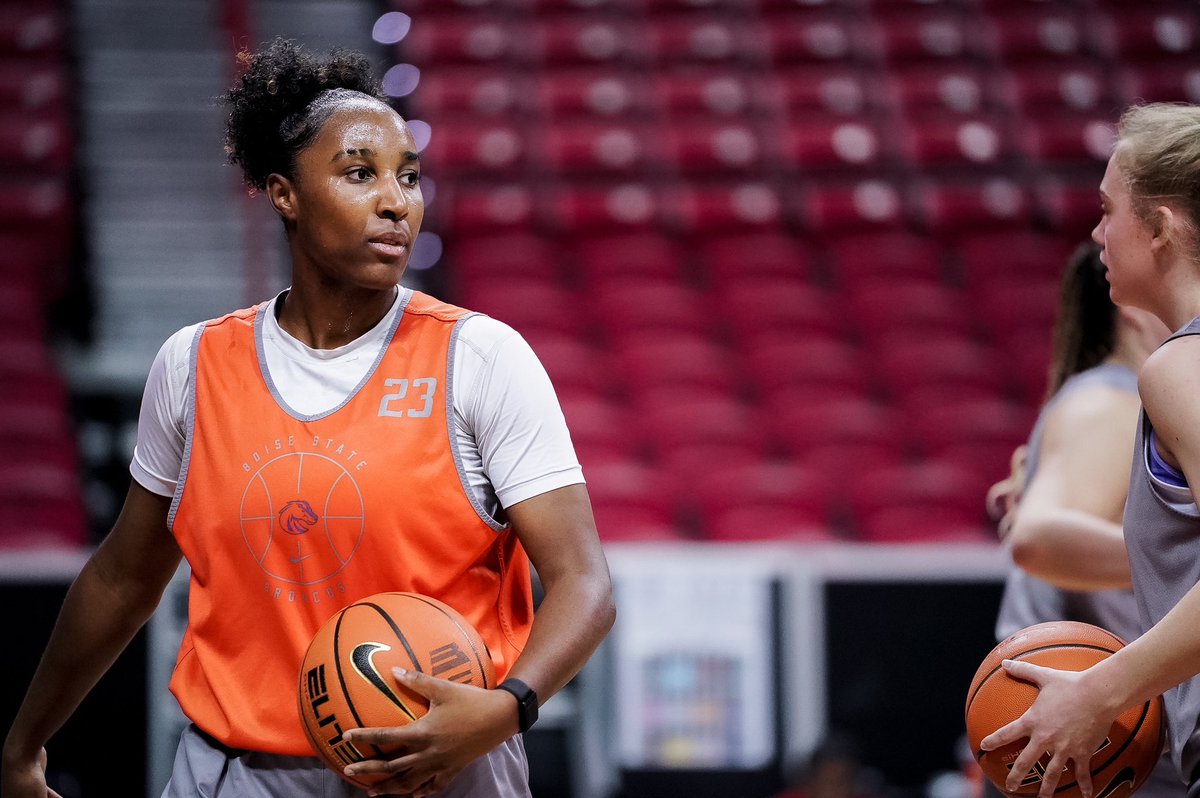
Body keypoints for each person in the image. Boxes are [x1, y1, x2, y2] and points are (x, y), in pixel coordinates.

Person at [1, 38, 616, 798]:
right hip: (236, 775)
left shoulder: (481, 358)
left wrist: (505, 708)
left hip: (444, 770)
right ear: (283, 193)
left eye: (409, 176)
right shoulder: (192, 366)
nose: (397, 200)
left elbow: (584, 581)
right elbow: (124, 579)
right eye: (360, 173)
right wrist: (23, 744)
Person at [975, 102, 1200, 798]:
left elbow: (1039, 539)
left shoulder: (1177, 368)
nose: (1097, 234)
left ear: (1160, 227)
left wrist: (1101, 690)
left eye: (1108, 210)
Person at [984, 241, 1176, 797]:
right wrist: (1178, 562)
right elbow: (1040, 537)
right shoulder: (1109, 403)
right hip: (1094, 739)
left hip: (1088, 740)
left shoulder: (1124, 401)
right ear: (1134, 308)